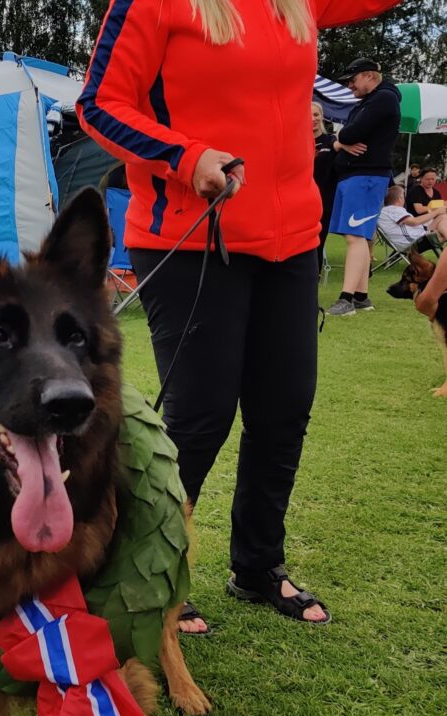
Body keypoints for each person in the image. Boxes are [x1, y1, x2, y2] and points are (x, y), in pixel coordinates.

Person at [77, 0, 403, 632]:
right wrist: (184, 156)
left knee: (284, 410)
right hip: (195, 234)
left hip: (293, 239)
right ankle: (147, 572)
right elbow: (99, 105)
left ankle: (256, 566)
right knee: (200, 417)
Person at [326, 57, 401, 317]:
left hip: (366, 175)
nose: (349, 86)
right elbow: (345, 134)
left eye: (353, 80)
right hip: (358, 175)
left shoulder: (383, 98)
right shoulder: (372, 100)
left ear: (369, 75)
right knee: (357, 235)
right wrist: (342, 138)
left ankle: (346, 299)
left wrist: (342, 138)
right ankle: (360, 296)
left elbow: (348, 134)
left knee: (355, 235)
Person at [378, 184, 447, 252]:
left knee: (442, 217)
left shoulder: (386, 211)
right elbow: (414, 222)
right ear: (400, 198)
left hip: (415, 238)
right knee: (442, 229)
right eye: (403, 196)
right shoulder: (394, 210)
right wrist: (436, 212)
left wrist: (436, 213)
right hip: (414, 242)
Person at [312, 101, 337, 274]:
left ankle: (314, 281)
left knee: (317, 243)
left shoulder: (331, 142)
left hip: (324, 202)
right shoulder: (296, 141)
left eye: (316, 114)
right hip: (300, 201)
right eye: (308, 115)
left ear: (322, 116)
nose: (313, 119)